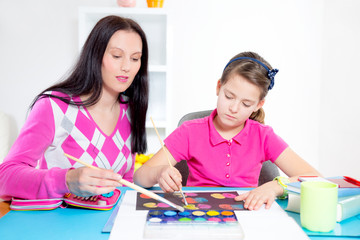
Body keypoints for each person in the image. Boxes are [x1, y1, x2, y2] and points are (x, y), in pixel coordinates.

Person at [134, 51, 321, 210]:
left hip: (247, 216)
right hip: (197, 215)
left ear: (258, 105)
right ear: (218, 87)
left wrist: (275, 187)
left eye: (246, 103)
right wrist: (158, 173)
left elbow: (315, 179)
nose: (234, 108)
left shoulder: (263, 136)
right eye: (229, 96)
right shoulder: (190, 131)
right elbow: (139, 177)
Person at [0, 15, 149, 200]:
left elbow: (123, 184)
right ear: (95, 55)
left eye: (135, 58)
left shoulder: (131, 110)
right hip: (58, 224)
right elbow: (5, 177)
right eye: (117, 56)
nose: (127, 67)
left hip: (110, 222)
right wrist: (67, 180)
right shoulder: (54, 106)